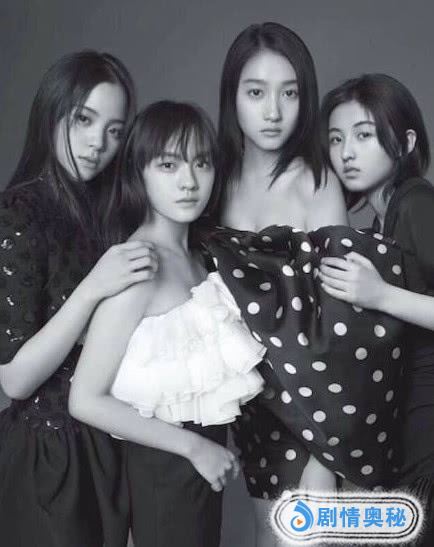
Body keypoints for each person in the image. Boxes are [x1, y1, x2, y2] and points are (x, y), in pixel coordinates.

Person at [68, 100, 266, 547]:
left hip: (200, 472)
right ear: (138, 173)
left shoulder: (198, 259)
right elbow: (86, 399)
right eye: (168, 165)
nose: (189, 181)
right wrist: (195, 448)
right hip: (164, 468)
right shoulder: (137, 266)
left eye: (201, 163)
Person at [0, 50, 157, 546]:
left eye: (114, 131)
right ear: (51, 114)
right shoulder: (17, 214)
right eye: (83, 120)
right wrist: (93, 288)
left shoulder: (113, 214)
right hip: (47, 456)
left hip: (111, 447)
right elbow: (15, 379)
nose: (97, 143)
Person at [216, 22, 348, 546]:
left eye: (289, 94)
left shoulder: (316, 182)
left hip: (312, 406)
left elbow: (343, 326)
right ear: (232, 97)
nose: (273, 112)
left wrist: (326, 457)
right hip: (246, 407)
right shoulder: (211, 180)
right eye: (256, 93)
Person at [319, 73, 434, 545]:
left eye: (363, 135)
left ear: (405, 142)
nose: (347, 152)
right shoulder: (379, 222)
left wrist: (380, 295)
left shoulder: (417, 203)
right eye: (336, 139)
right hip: (408, 426)